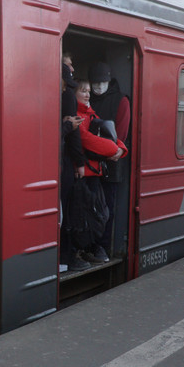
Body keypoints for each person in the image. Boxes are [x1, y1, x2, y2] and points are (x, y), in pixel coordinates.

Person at [74, 79, 128, 264]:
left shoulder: (90, 113)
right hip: (83, 174)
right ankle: (79, 251)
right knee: (83, 217)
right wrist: (114, 150)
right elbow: (86, 139)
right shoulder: (76, 114)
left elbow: (108, 132)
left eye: (89, 90)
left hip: (94, 173)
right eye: (83, 90)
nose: (88, 94)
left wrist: (121, 149)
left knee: (97, 215)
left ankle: (91, 249)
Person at [89, 62, 131, 261]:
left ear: (109, 81)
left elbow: (121, 134)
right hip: (91, 163)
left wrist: (107, 150)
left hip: (111, 164)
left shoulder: (121, 101)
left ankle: (102, 247)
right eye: (94, 83)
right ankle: (88, 245)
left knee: (106, 208)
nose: (98, 87)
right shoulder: (87, 98)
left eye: (102, 82)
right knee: (89, 206)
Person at [60, 60, 89, 272]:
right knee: (67, 211)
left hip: (64, 161)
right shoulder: (68, 95)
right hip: (65, 163)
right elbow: (75, 136)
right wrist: (80, 163)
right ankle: (66, 257)